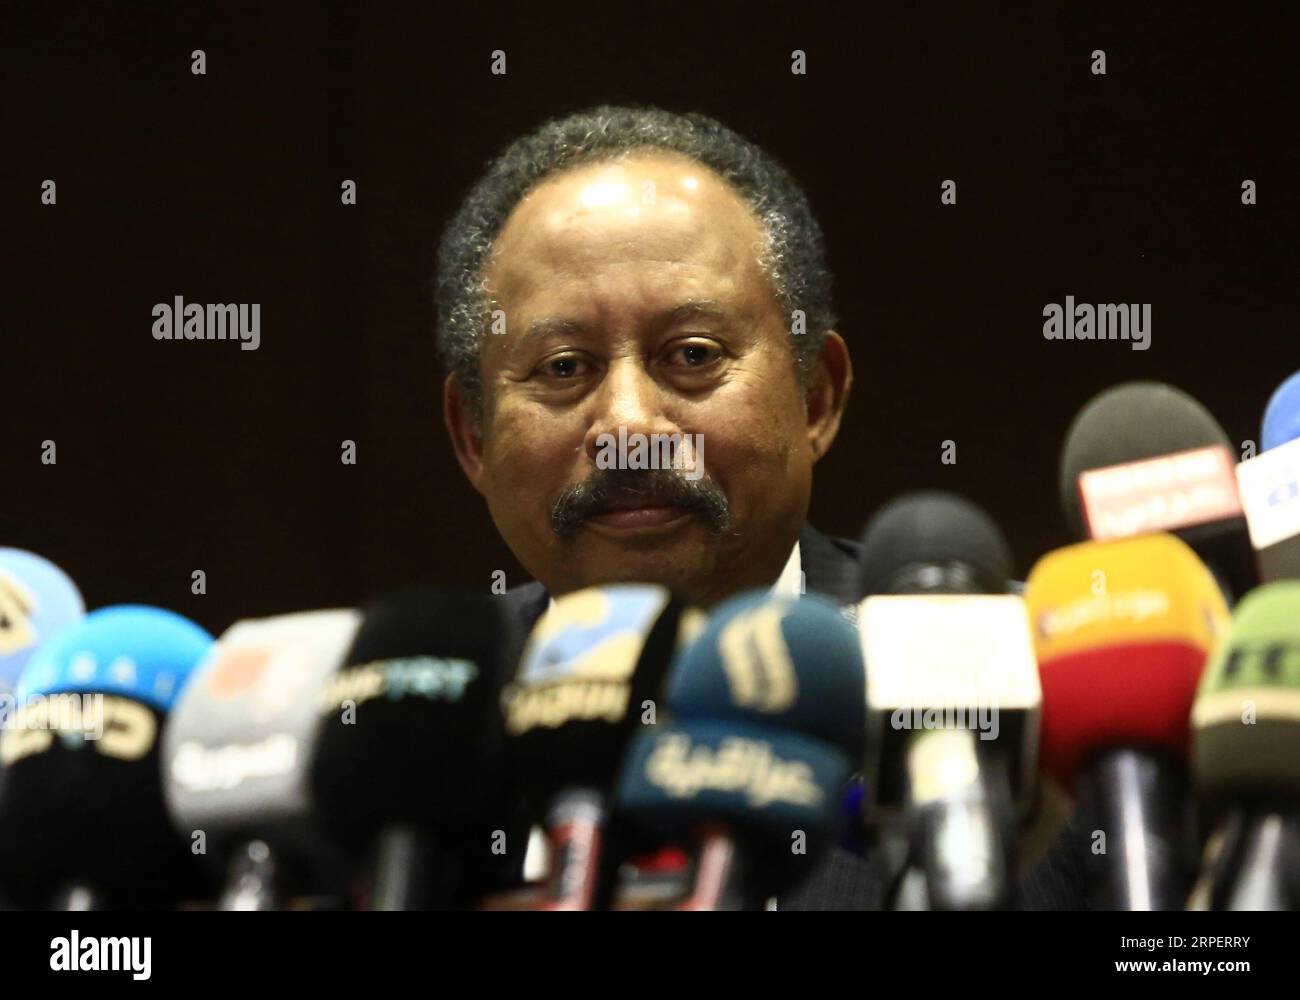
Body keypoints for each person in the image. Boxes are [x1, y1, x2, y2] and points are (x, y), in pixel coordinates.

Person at [435, 104, 1085, 909]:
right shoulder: (406, 744)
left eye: (693, 355)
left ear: (816, 397)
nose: (629, 425)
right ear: (472, 437)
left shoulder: (1033, 696)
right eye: (565, 368)